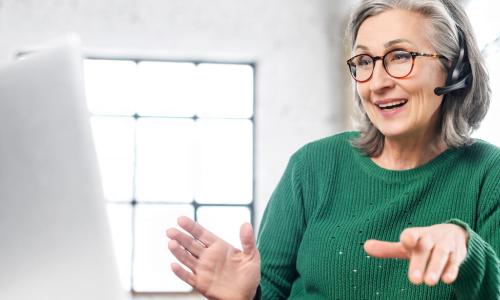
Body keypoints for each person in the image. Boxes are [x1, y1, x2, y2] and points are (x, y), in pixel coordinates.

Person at [166, 0, 500, 299]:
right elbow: (270, 291)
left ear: (455, 68)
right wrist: (248, 297)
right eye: (365, 61)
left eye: (400, 56)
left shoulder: (489, 173)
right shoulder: (312, 166)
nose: (378, 82)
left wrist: (470, 253)